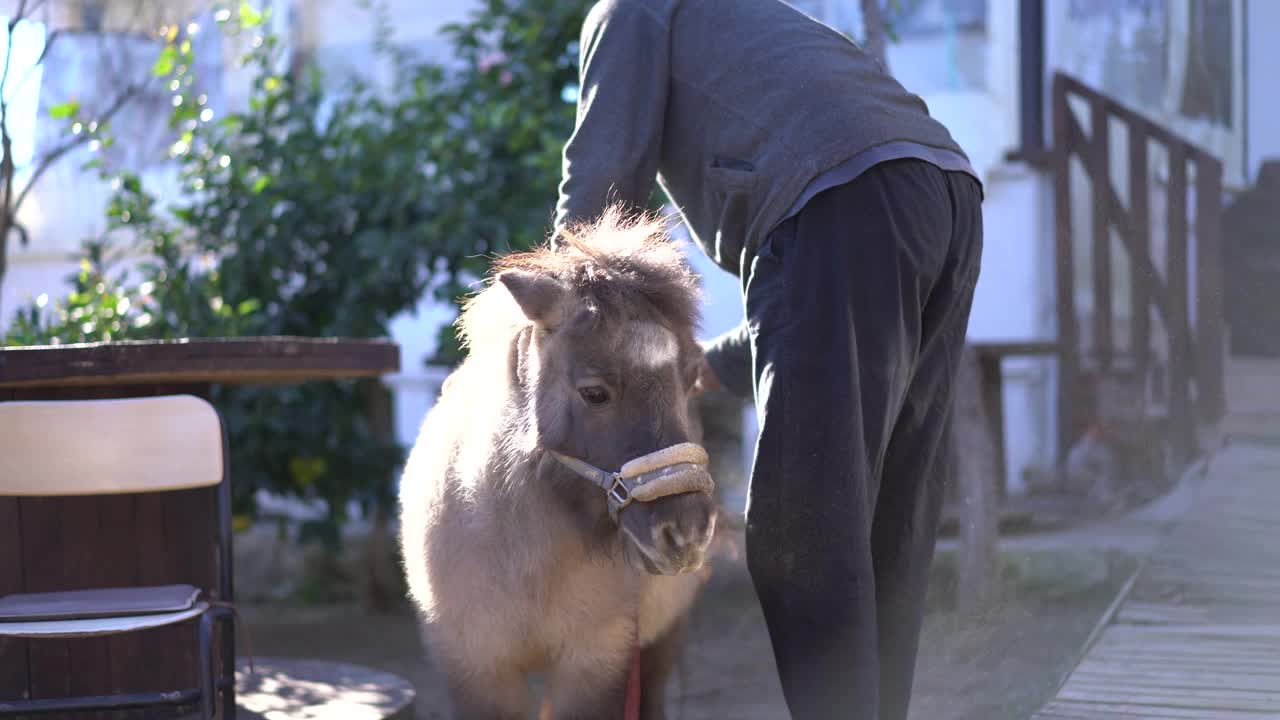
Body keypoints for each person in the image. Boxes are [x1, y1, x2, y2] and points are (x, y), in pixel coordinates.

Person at [551, 0, 984, 717]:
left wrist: (553, 326)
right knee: (886, 522)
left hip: (836, 196)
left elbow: (600, 195)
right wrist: (705, 365)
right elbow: (813, 314)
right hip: (941, 191)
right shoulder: (749, 21)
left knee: (801, 532)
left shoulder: (629, 10)